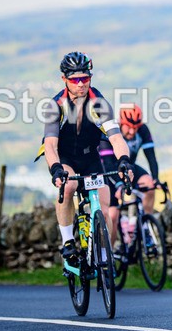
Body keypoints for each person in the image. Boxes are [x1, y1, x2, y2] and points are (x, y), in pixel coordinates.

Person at [38, 51, 134, 267]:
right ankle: (68, 241)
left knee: (105, 205)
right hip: (65, 158)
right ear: (64, 79)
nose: (81, 84)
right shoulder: (56, 106)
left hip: (91, 157)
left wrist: (124, 161)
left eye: (85, 79)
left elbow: (117, 138)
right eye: (75, 79)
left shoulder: (98, 102)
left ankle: (102, 254)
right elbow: (50, 145)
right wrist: (55, 169)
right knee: (69, 186)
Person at [98, 103, 162, 248]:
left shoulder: (143, 130)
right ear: (121, 122)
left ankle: (145, 227)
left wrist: (156, 178)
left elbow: (151, 157)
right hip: (110, 172)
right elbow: (107, 163)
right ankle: (110, 255)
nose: (133, 131)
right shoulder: (110, 132)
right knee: (112, 215)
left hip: (129, 169)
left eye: (136, 127)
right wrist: (119, 185)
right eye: (129, 126)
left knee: (149, 184)